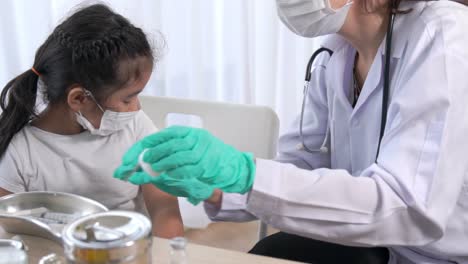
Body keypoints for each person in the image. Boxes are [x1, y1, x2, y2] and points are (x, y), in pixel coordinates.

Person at [114, 0, 468, 262]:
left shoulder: (445, 39)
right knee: (268, 252)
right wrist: (219, 186)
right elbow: (304, 166)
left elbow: (407, 207)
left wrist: (246, 175)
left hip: (434, 255)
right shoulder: (334, 54)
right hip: (367, 244)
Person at [0, 4, 183, 238]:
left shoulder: (135, 127)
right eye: (128, 99)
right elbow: (7, 234)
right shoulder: (19, 153)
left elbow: (165, 211)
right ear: (78, 98)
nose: (137, 107)